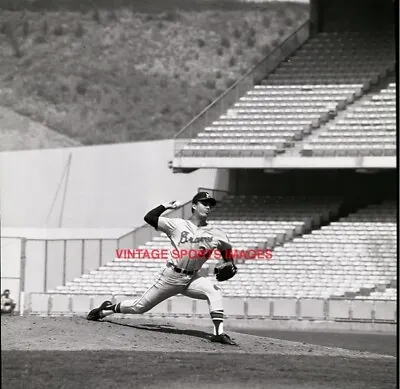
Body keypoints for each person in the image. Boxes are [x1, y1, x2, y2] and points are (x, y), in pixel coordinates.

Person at [87, 191, 238, 345]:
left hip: (192, 278)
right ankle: (106, 310)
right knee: (139, 307)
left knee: (214, 292)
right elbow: (149, 218)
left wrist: (231, 264)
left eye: (210, 204)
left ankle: (218, 333)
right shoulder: (178, 225)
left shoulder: (216, 233)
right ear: (194, 205)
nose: (208, 207)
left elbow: (226, 252)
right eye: (204, 203)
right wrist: (165, 206)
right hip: (171, 277)